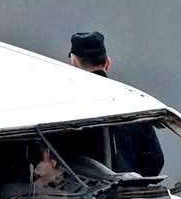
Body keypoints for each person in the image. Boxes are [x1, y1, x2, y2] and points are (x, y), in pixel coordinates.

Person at [68, 31, 164, 177]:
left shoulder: (68, 105)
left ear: (74, 63)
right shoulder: (133, 101)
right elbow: (155, 160)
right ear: (107, 62)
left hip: (85, 196)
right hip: (131, 195)